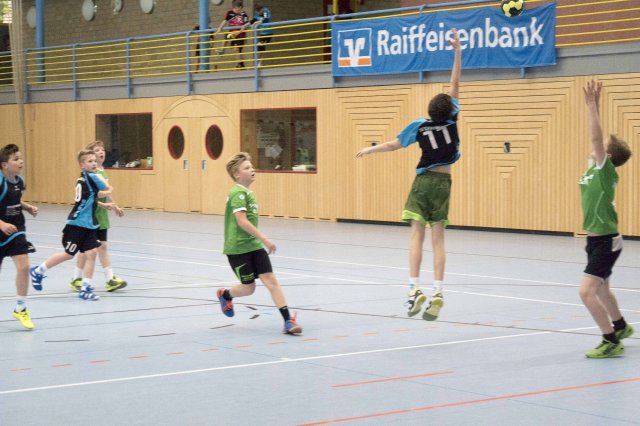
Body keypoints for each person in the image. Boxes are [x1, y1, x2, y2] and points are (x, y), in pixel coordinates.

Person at [356, 29, 461, 321]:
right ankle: (438, 292)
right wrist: (457, 51)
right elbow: (455, 83)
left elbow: (394, 145)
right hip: (445, 182)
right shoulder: (452, 121)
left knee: (416, 235)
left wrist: (370, 149)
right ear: (449, 109)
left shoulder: (419, 126)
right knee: (438, 239)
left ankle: (414, 289)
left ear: (430, 110)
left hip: (424, 182)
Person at [216, 152, 302, 335]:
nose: (252, 169)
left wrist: (259, 241)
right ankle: (225, 294)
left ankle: (288, 320)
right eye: (247, 168)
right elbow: (241, 221)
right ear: (237, 174)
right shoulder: (237, 193)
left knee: (271, 280)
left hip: (254, 246)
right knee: (249, 289)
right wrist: (264, 238)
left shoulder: (248, 193)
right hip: (238, 249)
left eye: (251, 166)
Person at [578, 79, 633, 358]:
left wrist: (590, 106)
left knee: (586, 292)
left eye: (603, 147)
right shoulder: (594, 168)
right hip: (596, 239)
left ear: (607, 155)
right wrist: (596, 105)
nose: (598, 146)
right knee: (601, 290)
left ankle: (610, 340)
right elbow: (597, 140)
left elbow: (596, 139)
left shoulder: (605, 170)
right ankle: (621, 326)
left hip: (606, 241)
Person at [30, 149, 114, 301]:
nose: (94, 163)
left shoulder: (82, 179)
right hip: (77, 224)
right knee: (68, 254)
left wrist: (103, 204)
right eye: (90, 161)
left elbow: (90, 199)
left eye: (95, 161)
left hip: (89, 225)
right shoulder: (93, 177)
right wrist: (107, 185)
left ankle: (85, 288)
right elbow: (106, 189)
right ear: (82, 165)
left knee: (91, 253)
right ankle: (38, 271)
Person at [69, 141, 127, 294]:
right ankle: (79, 278)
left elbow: (106, 193)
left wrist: (115, 205)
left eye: (102, 150)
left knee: (102, 246)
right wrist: (104, 200)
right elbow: (94, 196)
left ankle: (108, 279)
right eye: (97, 150)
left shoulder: (102, 172)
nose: (101, 152)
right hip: (91, 215)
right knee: (89, 248)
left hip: (102, 215)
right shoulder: (91, 176)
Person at [0, 144, 38, 329]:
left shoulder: (20, 181)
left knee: (24, 267)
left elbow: (15, 199)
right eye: (15, 159)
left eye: (20, 158)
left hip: (16, 230)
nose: (20, 161)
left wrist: (27, 206)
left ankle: (21, 308)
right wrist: (1, 224)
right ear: (4, 165)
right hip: (1, 229)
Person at [215, 0, 250, 69]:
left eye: (238, 9)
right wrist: (219, 28)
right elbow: (224, 21)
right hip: (232, 33)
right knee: (227, 37)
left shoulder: (243, 14)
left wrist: (240, 30)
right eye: (235, 8)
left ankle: (240, 65)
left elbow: (247, 24)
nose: (236, 10)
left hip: (240, 35)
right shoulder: (230, 13)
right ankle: (222, 49)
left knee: (237, 50)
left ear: (241, 7)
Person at [250, 1, 273, 66]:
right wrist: (245, 25)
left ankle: (259, 62)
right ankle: (258, 63)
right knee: (259, 47)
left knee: (260, 46)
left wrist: (258, 22)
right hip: (262, 33)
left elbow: (266, 19)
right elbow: (253, 20)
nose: (257, 13)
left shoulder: (265, 11)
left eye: (258, 11)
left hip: (268, 33)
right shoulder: (257, 13)